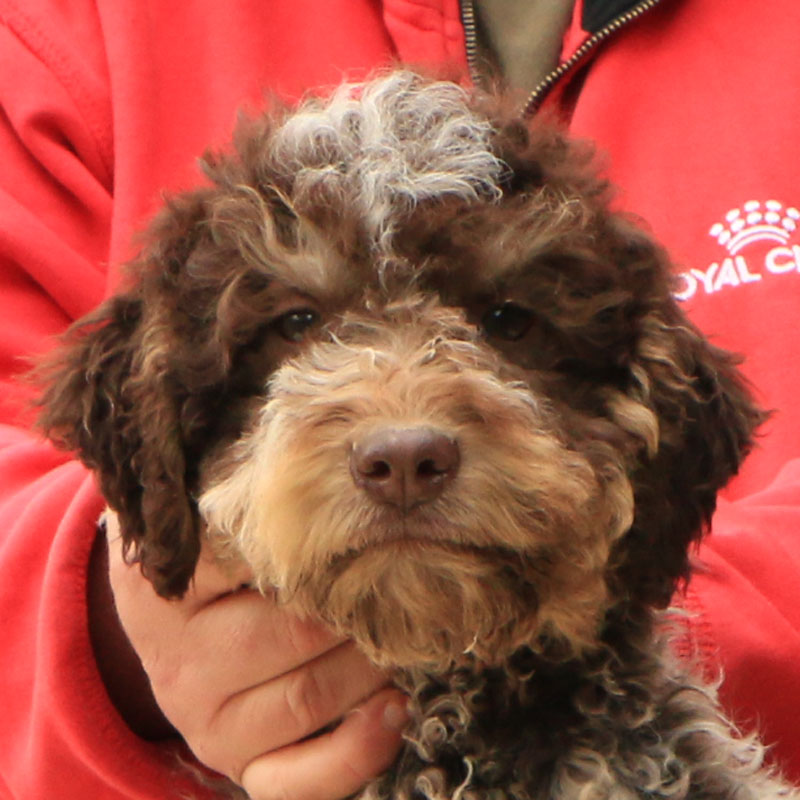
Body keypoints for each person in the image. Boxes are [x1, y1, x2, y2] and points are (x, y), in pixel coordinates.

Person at [1, 1, 799, 797]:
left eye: (507, 324)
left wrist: (681, 610)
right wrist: (112, 637)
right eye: (297, 326)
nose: (403, 428)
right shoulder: (61, 30)